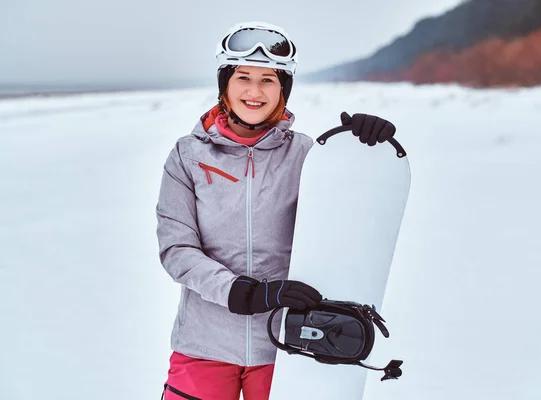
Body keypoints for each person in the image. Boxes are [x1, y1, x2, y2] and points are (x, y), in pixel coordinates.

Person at [156, 21, 397, 400]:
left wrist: (364, 148)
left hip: (288, 346)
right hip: (203, 346)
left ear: (283, 88)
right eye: (243, 78)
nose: (255, 92)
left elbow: (346, 220)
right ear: (225, 85)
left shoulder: (308, 156)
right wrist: (244, 293)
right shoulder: (188, 156)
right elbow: (177, 251)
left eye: (269, 80)